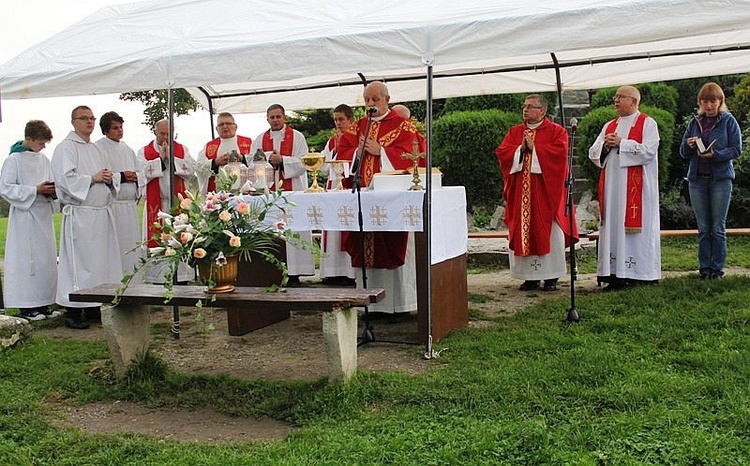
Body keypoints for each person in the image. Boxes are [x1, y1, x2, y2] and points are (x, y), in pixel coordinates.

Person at [337, 81, 426, 314]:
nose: (370, 104)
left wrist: (382, 152)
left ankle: (397, 305)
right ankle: (368, 306)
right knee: (364, 245)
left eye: (375, 99)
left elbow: (415, 155)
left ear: (387, 99)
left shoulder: (403, 126)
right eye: (367, 99)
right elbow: (342, 155)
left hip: (390, 201)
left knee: (391, 245)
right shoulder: (358, 127)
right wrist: (357, 152)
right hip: (363, 198)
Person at [496, 94, 578, 292]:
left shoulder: (556, 131)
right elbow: (503, 152)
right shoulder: (515, 131)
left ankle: (551, 276)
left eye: (531, 106)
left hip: (546, 193)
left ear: (542, 111)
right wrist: (520, 150)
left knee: (549, 231)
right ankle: (529, 277)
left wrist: (536, 149)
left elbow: (559, 155)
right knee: (524, 229)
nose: (525, 110)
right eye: (524, 106)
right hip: (521, 194)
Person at [51, 106, 123, 329]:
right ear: (73, 121)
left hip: (100, 214)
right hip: (81, 215)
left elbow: (107, 173)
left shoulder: (96, 149)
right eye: (84, 118)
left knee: (98, 264)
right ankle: (73, 310)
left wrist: (110, 179)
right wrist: (92, 178)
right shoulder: (66, 148)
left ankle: (93, 306)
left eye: (92, 118)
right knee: (79, 264)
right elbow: (65, 180)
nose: (89, 122)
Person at [588, 86, 661, 290]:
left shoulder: (647, 123)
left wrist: (623, 143)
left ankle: (638, 273)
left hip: (637, 190)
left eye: (621, 97)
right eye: (616, 97)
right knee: (613, 225)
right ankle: (613, 273)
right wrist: (605, 146)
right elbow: (593, 151)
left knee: (635, 231)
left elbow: (649, 150)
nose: (616, 101)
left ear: (634, 102)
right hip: (612, 188)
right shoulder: (610, 125)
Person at [679, 82, 743, 279]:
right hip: (697, 180)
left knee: (717, 228)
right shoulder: (694, 122)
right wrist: (689, 145)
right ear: (700, 102)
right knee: (704, 228)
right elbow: (683, 153)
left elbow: (736, 149)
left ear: (720, 101)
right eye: (705, 101)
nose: (709, 105)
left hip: (720, 180)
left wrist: (714, 155)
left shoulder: (728, 121)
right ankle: (704, 268)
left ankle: (717, 270)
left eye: (713, 101)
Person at [0, 120, 61, 321]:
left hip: (42, 215)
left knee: (46, 260)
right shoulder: (14, 160)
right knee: (27, 261)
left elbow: (52, 181)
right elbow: (6, 187)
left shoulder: (43, 159)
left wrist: (52, 193)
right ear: (28, 138)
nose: (43, 147)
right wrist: (35, 190)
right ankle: (27, 306)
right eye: (41, 142)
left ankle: (44, 303)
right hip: (25, 217)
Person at [249, 104, 314, 285]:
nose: (275, 120)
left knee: (293, 228)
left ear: (285, 118)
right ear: (267, 119)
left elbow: (304, 162)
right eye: (272, 117)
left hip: (293, 191)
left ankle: (295, 272)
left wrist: (283, 160)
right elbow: (250, 161)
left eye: (278, 116)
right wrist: (268, 158)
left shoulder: (298, 137)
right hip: (269, 193)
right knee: (272, 229)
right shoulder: (260, 139)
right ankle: (272, 270)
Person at [137, 119, 195, 283]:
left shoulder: (182, 149)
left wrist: (173, 158)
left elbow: (190, 170)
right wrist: (161, 160)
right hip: (157, 206)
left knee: (180, 239)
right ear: (155, 132)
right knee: (158, 240)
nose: (165, 138)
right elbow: (141, 173)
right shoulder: (144, 151)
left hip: (178, 205)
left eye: (168, 134)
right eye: (162, 133)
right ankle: (158, 279)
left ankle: (182, 277)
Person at [96, 111, 145, 277]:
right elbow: (101, 174)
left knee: (130, 247)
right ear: (106, 131)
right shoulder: (99, 148)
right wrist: (121, 176)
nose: (120, 131)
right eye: (115, 128)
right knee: (115, 248)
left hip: (129, 207)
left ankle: (133, 283)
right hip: (113, 206)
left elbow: (141, 173)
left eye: (121, 127)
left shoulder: (127, 149)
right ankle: (115, 283)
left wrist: (136, 177)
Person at [319, 104, 357, 285]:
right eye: (335, 120)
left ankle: (349, 272)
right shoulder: (332, 141)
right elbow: (324, 166)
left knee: (347, 227)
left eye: (341, 119)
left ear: (351, 120)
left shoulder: (357, 137)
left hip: (349, 188)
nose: (338, 123)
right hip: (334, 187)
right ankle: (333, 271)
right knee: (333, 229)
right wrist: (335, 150)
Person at [197, 112, 253, 193]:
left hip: (245, 193)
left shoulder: (249, 143)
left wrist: (242, 158)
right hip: (218, 194)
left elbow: (258, 162)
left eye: (228, 123)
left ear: (235, 126)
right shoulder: (209, 146)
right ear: (216, 129)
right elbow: (199, 166)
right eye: (221, 124)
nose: (225, 126)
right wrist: (215, 162)